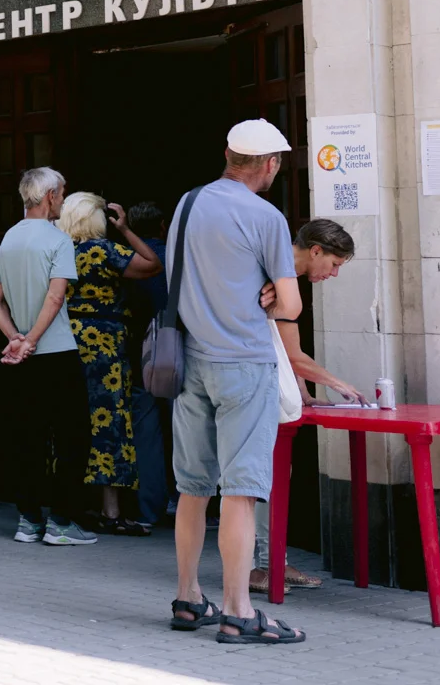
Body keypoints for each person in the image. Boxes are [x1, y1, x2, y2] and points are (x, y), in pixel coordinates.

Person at [168, 119, 306, 645]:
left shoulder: (187, 203)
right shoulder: (266, 217)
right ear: (269, 164)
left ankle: (188, 598)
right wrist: (271, 289)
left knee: (192, 488)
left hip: (189, 362)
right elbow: (290, 305)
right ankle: (238, 610)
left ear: (228, 155)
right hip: (244, 363)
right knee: (241, 492)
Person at [249, 217, 360, 594]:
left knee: (268, 474)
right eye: (335, 264)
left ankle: (270, 563)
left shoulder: (278, 274)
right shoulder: (277, 275)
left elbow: (281, 345)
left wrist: (304, 392)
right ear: (315, 251)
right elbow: (293, 354)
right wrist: (338, 384)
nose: (334, 273)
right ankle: (258, 567)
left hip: (254, 380)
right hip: (246, 383)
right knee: (256, 476)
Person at [0, 166, 95, 546]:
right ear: (50, 196)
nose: (63, 201)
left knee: (27, 438)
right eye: (62, 194)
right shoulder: (58, 240)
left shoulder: (8, 239)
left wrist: (14, 338)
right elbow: (56, 296)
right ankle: (61, 521)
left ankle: (29, 520)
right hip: (57, 353)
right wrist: (31, 339)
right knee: (73, 438)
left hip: (22, 359)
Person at [57, 190, 163, 533]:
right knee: (110, 422)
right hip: (105, 345)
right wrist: (126, 229)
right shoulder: (103, 251)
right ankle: (111, 511)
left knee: (75, 419)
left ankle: (74, 503)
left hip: (68, 340)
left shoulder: (59, 250)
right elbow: (152, 264)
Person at [124, 200, 172, 530]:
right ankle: (190, 501)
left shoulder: (124, 258)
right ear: (162, 226)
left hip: (137, 351)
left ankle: (149, 508)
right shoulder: (178, 255)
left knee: (146, 432)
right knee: (185, 430)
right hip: (178, 349)